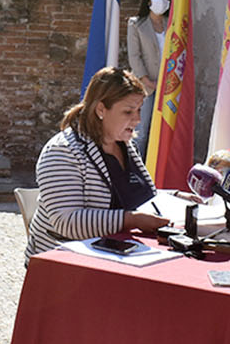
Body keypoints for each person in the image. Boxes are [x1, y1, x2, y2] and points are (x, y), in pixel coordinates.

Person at [25, 67, 171, 260]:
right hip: (66, 263)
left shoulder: (125, 145)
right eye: (128, 111)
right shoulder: (63, 151)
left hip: (121, 254)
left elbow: (133, 194)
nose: (137, 120)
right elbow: (66, 221)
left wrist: (175, 197)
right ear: (101, 109)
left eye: (139, 110)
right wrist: (130, 220)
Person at [127, 0, 171, 157]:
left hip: (169, 86)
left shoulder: (172, 23)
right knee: (142, 130)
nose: (161, 0)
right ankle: (137, 167)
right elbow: (134, 56)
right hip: (146, 85)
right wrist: (147, 81)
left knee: (162, 132)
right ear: (148, 1)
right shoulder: (136, 24)